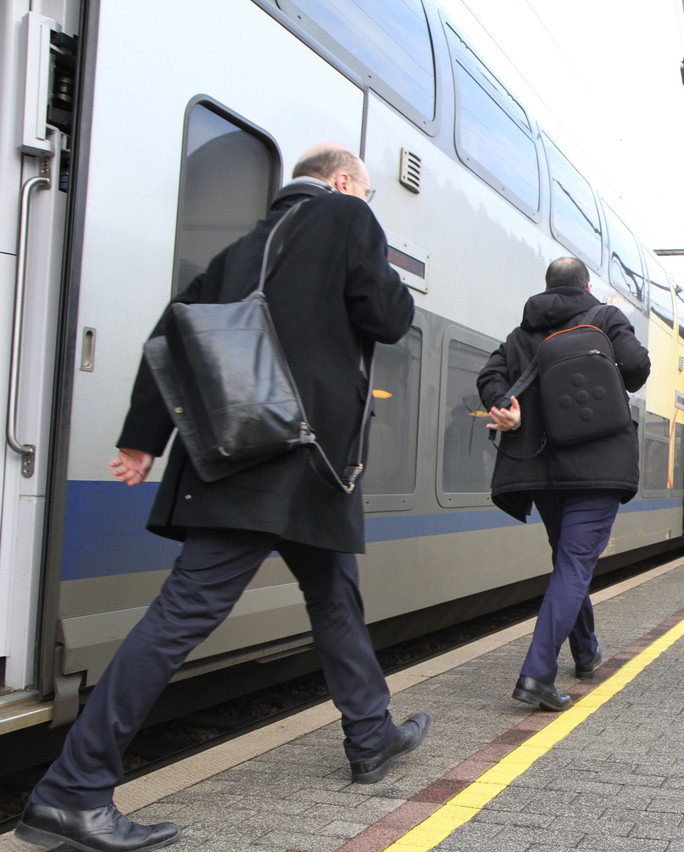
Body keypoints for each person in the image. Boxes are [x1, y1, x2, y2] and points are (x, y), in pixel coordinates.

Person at [17, 144, 425, 852]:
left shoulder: (239, 250)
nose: (366, 202)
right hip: (298, 460)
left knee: (334, 595)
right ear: (340, 182)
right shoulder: (346, 217)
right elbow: (388, 317)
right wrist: (376, 245)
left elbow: (170, 334)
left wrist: (142, 438)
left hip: (236, 455)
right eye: (365, 191)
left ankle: (371, 732)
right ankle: (72, 790)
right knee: (185, 614)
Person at [478, 257, 650, 712]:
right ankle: (537, 675)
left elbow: (490, 375)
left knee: (568, 563)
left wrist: (504, 404)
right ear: (587, 286)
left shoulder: (521, 334)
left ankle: (587, 649)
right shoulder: (607, 317)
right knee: (574, 567)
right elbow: (636, 369)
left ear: (548, 287)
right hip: (597, 466)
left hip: (543, 471)